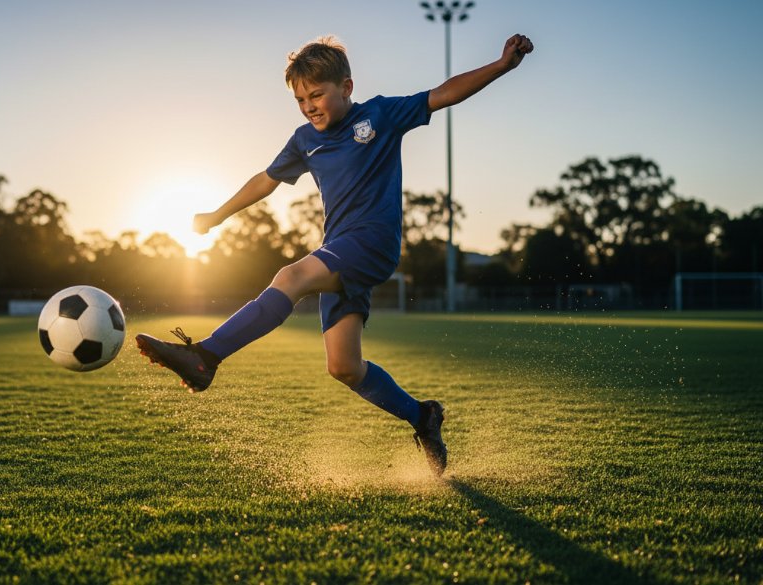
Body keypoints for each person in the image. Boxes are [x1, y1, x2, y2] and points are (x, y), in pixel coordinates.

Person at [136, 33, 534, 477]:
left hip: (373, 243)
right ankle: (424, 417)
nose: (309, 106)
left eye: (317, 94)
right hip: (340, 252)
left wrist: (501, 66)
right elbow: (265, 180)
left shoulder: (380, 114)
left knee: (290, 276)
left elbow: (441, 95)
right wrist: (217, 214)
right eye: (300, 99)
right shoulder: (304, 140)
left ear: (346, 87)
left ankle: (205, 358)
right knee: (344, 367)